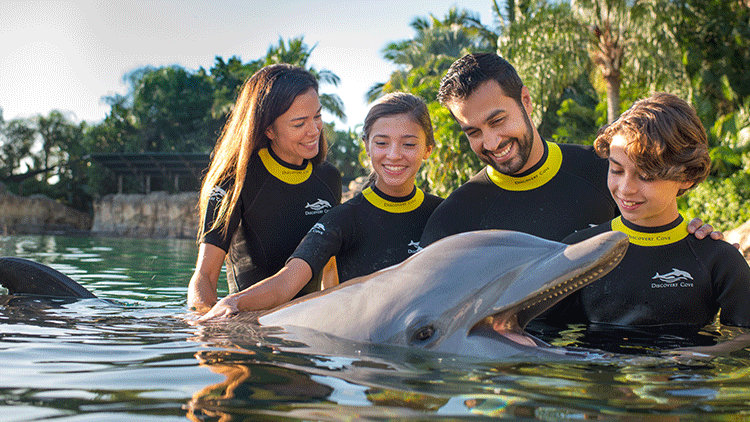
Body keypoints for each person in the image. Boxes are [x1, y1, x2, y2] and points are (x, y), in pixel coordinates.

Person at [419, 52, 719, 247]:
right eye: (473, 132)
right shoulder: (454, 219)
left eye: (498, 120)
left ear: (525, 100)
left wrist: (696, 235)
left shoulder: (606, 171)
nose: (492, 142)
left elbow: (659, 233)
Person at [195, 93, 443, 321]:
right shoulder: (342, 219)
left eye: (409, 144)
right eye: (381, 143)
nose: (394, 155)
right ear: (366, 146)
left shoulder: (445, 214)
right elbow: (286, 284)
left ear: (428, 150)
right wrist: (232, 303)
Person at [557, 93, 750, 328]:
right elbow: (537, 334)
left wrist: (700, 355)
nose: (626, 189)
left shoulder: (718, 259)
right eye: (616, 170)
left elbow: (742, 340)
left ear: (687, 176)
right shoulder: (577, 252)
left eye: (646, 176)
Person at [187, 64, 342, 312]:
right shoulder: (234, 179)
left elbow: (330, 270)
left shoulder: (328, 178)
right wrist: (207, 326)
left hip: (305, 328)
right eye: (299, 123)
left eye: (318, 116)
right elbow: (204, 277)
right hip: (248, 327)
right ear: (268, 129)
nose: (314, 130)